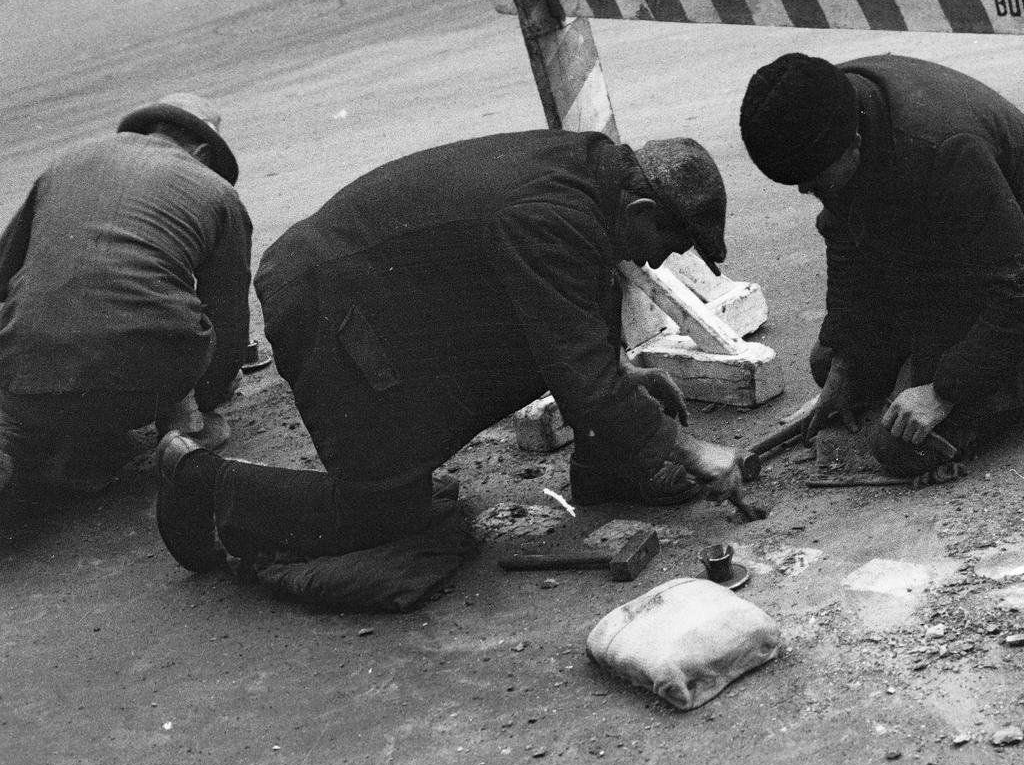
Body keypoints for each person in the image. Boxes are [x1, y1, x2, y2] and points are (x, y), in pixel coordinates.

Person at [154, 130, 747, 573]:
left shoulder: (591, 180)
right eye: (669, 245)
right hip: (325, 301)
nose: (658, 262)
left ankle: (608, 468)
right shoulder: (554, 215)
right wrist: (691, 450)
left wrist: (618, 375)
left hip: (376, 292)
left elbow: (564, 315)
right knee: (386, 517)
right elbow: (579, 375)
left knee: (590, 306)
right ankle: (201, 481)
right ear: (642, 211)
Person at [739, 52, 1024, 477]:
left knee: (899, 447)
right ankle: (922, 365)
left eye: (815, 181)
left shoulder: (945, 150)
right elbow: (845, 239)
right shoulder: (834, 106)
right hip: (950, 265)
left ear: (853, 143)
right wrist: (846, 357)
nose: (805, 189)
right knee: (831, 364)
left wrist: (943, 391)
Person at [0, 93, 250, 496]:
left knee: (26, 406)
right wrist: (212, 392)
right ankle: (184, 432)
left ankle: (24, 444)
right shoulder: (218, 193)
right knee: (181, 321)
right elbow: (230, 320)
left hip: (28, 378)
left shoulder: (68, 161)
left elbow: (3, 272)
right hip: (143, 385)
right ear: (202, 151)